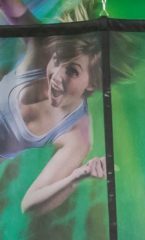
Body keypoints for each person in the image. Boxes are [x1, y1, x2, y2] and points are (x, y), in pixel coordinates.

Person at [0, 0, 120, 214]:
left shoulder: (78, 133)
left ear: (92, 82)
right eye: (57, 59)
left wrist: (76, 176)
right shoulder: (42, 45)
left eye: (72, 71)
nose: (56, 77)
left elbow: (31, 203)